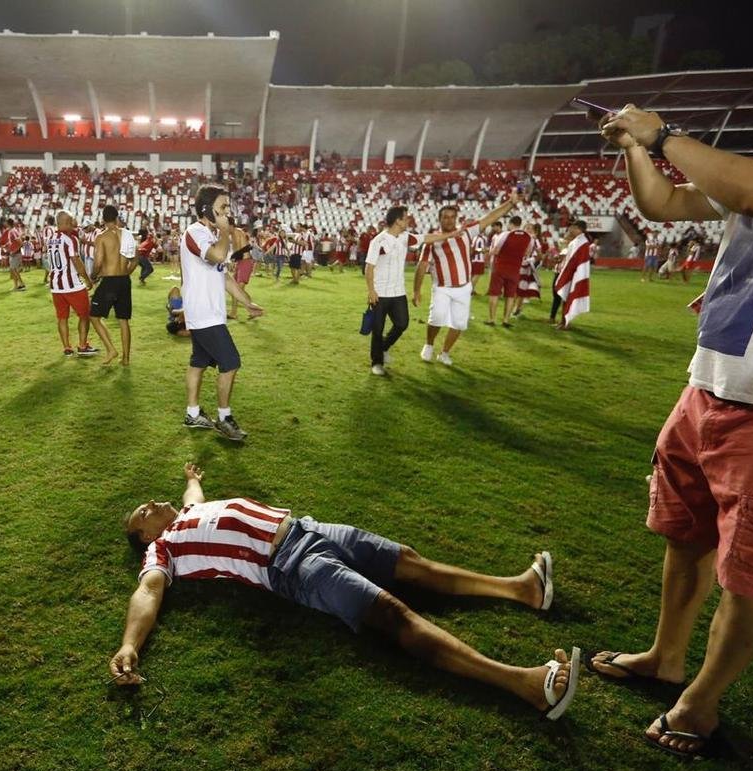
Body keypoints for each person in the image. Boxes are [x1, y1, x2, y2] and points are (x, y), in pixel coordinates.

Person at [109, 463, 580, 722]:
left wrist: (193, 477)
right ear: (147, 537)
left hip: (309, 528)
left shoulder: (189, 513)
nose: (150, 503)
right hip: (292, 566)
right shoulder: (165, 549)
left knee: (410, 561)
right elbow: (148, 593)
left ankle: (521, 588)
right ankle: (523, 684)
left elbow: (191, 494)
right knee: (392, 613)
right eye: (142, 513)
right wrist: (130, 644)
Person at [589, 103, 753, 757]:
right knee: (686, 532)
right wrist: (635, 149)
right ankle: (666, 657)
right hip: (709, 383)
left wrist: (663, 135)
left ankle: (701, 704)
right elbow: (664, 203)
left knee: (751, 571)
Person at [180, 185, 264, 442]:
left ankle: (193, 414)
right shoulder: (195, 232)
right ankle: (224, 418)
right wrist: (226, 231)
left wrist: (247, 302)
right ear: (207, 209)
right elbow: (217, 256)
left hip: (208, 312)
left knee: (199, 362)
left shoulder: (209, 234)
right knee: (231, 362)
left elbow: (223, 276)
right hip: (204, 312)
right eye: (223, 207)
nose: (227, 211)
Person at [411, 194, 519, 366]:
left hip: (463, 287)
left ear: (456, 218)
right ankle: (429, 345)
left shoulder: (466, 232)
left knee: (459, 323)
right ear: (439, 219)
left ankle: (444, 353)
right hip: (442, 287)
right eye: (445, 217)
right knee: (436, 318)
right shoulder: (433, 240)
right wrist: (416, 290)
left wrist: (511, 203)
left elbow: (490, 217)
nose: (449, 220)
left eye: (452, 217)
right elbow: (422, 265)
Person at [364, 206, 460, 375]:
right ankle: (376, 363)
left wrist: (450, 235)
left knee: (402, 324)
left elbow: (428, 238)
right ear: (398, 221)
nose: (408, 220)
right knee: (377, 330)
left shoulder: (405, 237)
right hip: (380, 293)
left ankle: (383, 348)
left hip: (398, 292)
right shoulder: (378, 241)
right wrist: (371, 291)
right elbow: (369, 268)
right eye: (406, 217)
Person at [47, 209, 108, 357]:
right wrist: (87, 279)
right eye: (72, 221)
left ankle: (67, 348)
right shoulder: (70, 239)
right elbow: (76, 261)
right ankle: (82, 346)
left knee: (62, 318)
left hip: (56, 285)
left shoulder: (50, 238)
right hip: (72, 285)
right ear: (67, 222)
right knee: (85, 315)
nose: (74, 224)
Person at [88, 205, 132, 365]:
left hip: (110, 281)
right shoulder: (127, 235)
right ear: (116, 217)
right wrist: (127, 272)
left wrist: (93, 276)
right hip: (124, 280)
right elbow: (135, 259)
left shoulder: (101, 237)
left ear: (103, 219)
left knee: (94, 316)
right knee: (123, 320)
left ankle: (111, 349)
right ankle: (126, 358)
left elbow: (98, 262)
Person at [485, 216, 533, 327]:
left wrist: (489, 251)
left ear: (511, 224)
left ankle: (491, 319)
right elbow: (527, 253)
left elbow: (496, 250)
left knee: (494, 293)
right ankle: (506, 320)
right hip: (515, 269)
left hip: (500, 267)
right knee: (510, 295)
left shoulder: (505, 234)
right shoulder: (528, 237)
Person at [551, 221, 591, 330]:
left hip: (574, 274)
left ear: (579, 229)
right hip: (572, 273)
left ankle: (565, 322)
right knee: (565, 298)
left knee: (568, 297)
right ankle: (563, 321)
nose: (571, 230)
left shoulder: (581, 242)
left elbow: (575, 261)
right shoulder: (578, 241)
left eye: (573, 228)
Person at [4, 218, 26, 291]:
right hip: (14, 253)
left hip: (15, 253)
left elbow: (20, 242)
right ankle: (16, 286)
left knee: (14, 270)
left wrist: (14, 251)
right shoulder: (13, 230)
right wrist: (6, 245)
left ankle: (21, 284)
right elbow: (13, 241)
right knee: (13, 270)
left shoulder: (12, 231)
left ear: (8, 223)